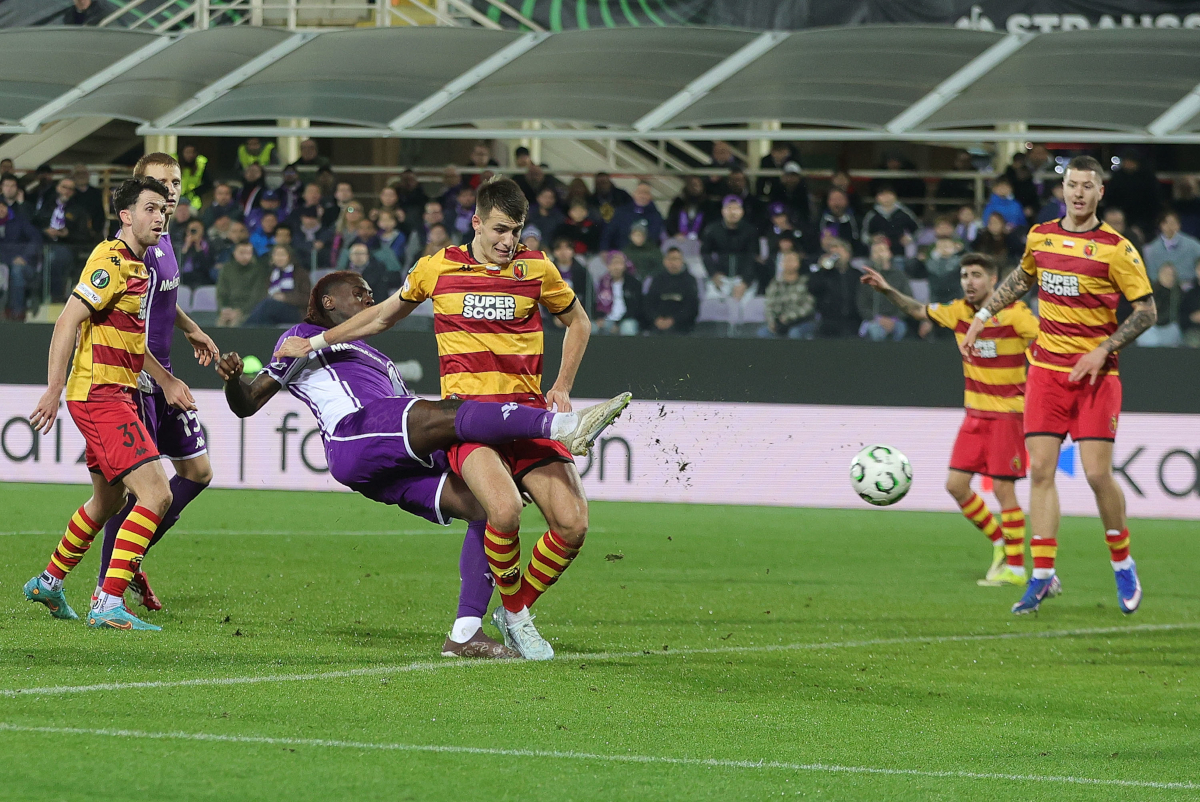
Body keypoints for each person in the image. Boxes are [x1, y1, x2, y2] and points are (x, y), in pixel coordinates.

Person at [274, 178, 632, 660]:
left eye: (517, 231)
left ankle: (512, 610)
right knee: (501, 511)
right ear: (477, 222)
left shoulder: (536, 268)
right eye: (501, 230)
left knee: (573, 525)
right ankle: (518, 621)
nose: (509, 241)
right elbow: (380, 317)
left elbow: (579, 322)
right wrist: (317, 342)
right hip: (469, 422)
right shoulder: (437, 268)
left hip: (525, 412)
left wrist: (562, 385)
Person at [961, 155, 1157, 615]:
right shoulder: (1041, 235)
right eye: (1072, 185)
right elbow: (1021, 278)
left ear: (1100, 192)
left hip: (1095, 375)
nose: (1079, 193)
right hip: (1046, 373)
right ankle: (1043, 576)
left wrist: (1103, 349)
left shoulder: (1117, 249)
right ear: (1062, 188)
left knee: (1094, 473)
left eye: (1088, 186)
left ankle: (1123, 562)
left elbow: (1147, 310)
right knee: (1042, 472)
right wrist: (983, 317)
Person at [23, 176, 196, 631]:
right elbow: (66, 321)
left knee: (108, 499)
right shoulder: (110, 260)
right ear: (126, 216)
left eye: (163, 209)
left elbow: (134, 346)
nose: (160, 217)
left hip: (117, 390)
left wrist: (167, 379)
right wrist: (53, 387)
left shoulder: (139, 269)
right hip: (100, 394)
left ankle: (50, 581)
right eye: (150, 208)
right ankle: (108, 601)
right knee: (157, 494)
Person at [88, 155, 220, 611]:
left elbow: (162, 298)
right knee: (137, 490)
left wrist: (189, 327)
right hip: (143, 380)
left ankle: (129, 559)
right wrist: (163, 380)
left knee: (197, 473)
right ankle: (108, 584)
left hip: (163, 374)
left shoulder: (162, 239)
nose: (170, 189)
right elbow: (127, 321)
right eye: (161, 182)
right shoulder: (126, 249)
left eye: (176, 182)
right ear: (140, 185)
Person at [863, 253, 1039, 585]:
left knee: (1003, 489)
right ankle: (1001, 543)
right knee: (955, 486)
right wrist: (887, 289)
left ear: (993, 279)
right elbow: (918, 310)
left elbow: (1045, 341)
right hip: (974, 414)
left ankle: (1016, 569)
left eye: (976, 275)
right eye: (964, 275)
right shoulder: (958, 312)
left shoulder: (1015, 315)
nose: (968, 282)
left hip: (1008, 416)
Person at [856, 238, 913, 341]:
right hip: (873, 320)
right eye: (876, 252)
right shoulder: (867, 278)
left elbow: (907, 301)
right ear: (871, 256)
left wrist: (894, 319)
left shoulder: (900, 276)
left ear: (889, 254)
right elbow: (862, 304)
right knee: (876, 330)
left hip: (896, 320)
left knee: (900, 329)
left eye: (882, 250)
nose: (879, 255)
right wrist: (878, 319)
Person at [808, 237, 861, 338]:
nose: (836, 254)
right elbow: (812, 288)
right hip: (828, 321)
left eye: (839, 250)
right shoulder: (824, 274)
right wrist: (822, 270)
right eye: (832, 251)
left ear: (848, 254)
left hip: (852, 322)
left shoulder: (857, 275)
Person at [0, 197, 42, 321]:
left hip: (25, 265)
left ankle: (17, 312)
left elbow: (36, 239)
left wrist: (25, 257)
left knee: (17, 271)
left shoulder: (20, 221)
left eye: (2, 206)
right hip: (3, 265)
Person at [759, 251, 816, 339]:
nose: (788, 263)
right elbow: (769, 305)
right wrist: (772, 322)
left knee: (794, 333)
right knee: (763, 333)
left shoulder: (806, 282)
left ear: (798, 263)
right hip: (779, 323)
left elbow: (808, 306)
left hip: (801, 321)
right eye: (786, 260)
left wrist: (788, 317)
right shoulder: (775, 283)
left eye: (792, 260)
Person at [643, 246, 699, 334]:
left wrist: (673, 320)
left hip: (681, 325)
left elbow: (691, 307)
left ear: (682, 261)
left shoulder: (689, 280)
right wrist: (656, 319)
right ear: (665, 261)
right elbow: (649, 303)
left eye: (676, 259)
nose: (673, 263)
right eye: (670, 259)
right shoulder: (657, 279)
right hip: (657, 324)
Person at [216, 241, 268, 327]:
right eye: (242, 253)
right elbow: (221, 293)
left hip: (249, 311)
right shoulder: (227, 269)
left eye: (248, 253)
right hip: (229, 308)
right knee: (221, 323)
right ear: (234, 253)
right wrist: (223, 309)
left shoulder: (258, 270)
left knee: (235, 323)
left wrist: (241, 311)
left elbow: (257, 297)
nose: (245, 256)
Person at [600, 182, 664, 251]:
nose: (643, 195)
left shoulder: (655, 215)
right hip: (620, 254)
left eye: (646, 193)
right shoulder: (621, 212)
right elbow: (608, 233)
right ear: (634, 194)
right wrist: (604, 250)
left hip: (644, 254)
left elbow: (654, 238)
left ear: (650, 196)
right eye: (640, 192)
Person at [1141, 211, 1200, 285]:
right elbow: (1151, 274)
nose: (1169, 227)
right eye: (1165, 223)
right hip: (1161, 289)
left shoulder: (1192, 245)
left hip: (1188, 287)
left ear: (1179, 225)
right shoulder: (1151, 249)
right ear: (1161, 225)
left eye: (1173, 223)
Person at [594, 251, 641, 336]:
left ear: (624, 265)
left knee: (628, 328)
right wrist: (599, 318)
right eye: (613, 263)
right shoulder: (602, 283)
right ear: (608, 266)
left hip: (626, 320)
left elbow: (636, 307)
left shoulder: (633, 283)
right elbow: (596, 304)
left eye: (619, 263)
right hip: (606, 319)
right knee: (591, 328)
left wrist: (618, 324)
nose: (616, 267)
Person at [860, 185, 918, 254]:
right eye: (882, 195)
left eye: (889, 195)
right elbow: (863, 235)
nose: (886, 198)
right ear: (877, 198)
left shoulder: (905, 213)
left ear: (895, 196)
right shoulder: (871, 215)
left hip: (901, 254)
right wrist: (871, 239)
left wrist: (910, 238)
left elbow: (919, 230)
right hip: (879, 254)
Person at [1137, 263, 1183, 347]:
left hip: (1170, 327)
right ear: (1159, 274)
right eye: (1166, 274)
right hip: (1152, 329)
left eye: (1171, 274)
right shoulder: (1150, 291)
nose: (1169, 277)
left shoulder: (1178, 293)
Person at [177, 144, 210, 210]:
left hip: (193, 200)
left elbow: (208, 183)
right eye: (187, 152)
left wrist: (195, 192)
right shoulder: (173, 163)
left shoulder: (201, 164)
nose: (190, 155)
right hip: (175, 198)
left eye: (192, 152)